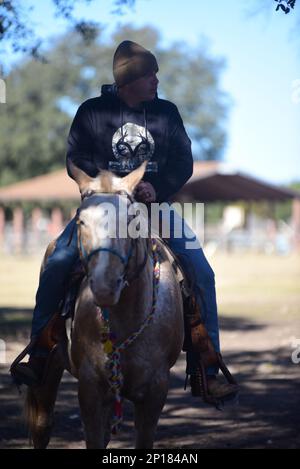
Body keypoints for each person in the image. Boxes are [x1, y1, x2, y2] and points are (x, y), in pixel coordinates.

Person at [11, 40, 238, 401]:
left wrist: (156, 187)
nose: (156, 80)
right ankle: (40, 351)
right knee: (58, 263)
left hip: (154, 209)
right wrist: (110, 188)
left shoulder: (167, 114)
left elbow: (184, 163)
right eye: (150, 74)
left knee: (201, 271)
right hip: (103, 210)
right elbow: (76, 158)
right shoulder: (91, 112)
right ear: (129, 79)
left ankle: (208, 369)